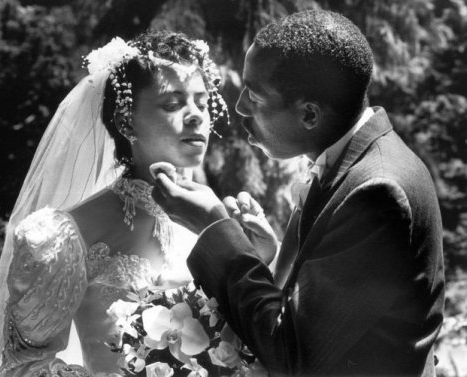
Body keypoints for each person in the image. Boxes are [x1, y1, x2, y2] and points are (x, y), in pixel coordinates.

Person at [152, 10, 445, 377]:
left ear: (309, 115)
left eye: (254, 97)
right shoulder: (352, 163)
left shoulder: (377, 192)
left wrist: (215, 227)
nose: (239, 106)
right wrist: (273, 257)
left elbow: (293, 355)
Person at [0, 30, 229, 377]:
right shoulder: (62, 237)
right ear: (126, 121)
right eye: (173, 104)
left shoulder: (222, 220)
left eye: (202, 103)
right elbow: (23, 366)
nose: (196, 116)